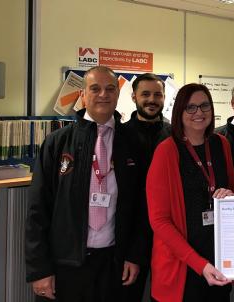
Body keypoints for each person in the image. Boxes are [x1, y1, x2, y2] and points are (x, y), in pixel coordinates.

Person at [25, 66, 146, 301]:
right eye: (95, 88)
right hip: (66, 265)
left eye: (110, 89)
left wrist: (135, 255)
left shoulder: (133, 143)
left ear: (118, 95)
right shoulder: (57, 143)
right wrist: (40, 269)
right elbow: (38, 209)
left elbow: (142, 207)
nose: (103, 94)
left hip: (115, 264)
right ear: (83, 95)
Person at [146, 83, 234, 302]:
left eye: (205, 106)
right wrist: (199, 264)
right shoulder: (167, 150)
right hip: (182, 267)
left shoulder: (221, 144)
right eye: (191, 107)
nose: (199, 113)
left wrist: (231, 195)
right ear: (180, 112)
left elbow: (233, 190)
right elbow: (159, 221)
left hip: (218, 262)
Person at [123, 73, 171, 301]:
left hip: (168, 234)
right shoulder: (120, 136)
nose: (152, 99)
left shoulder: (175, 135)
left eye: (157, 94)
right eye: (145, 94)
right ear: (134, 97)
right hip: (129, 237)